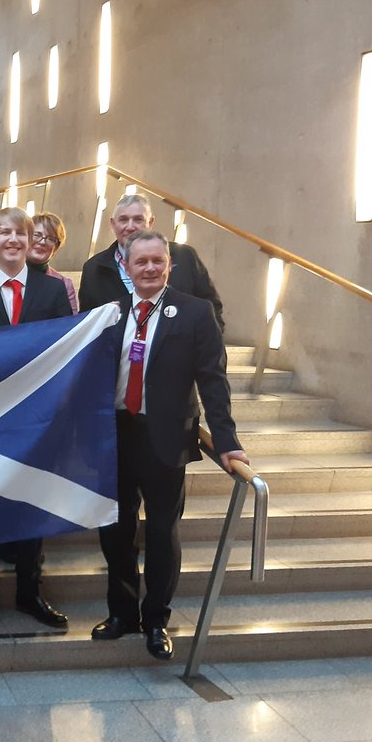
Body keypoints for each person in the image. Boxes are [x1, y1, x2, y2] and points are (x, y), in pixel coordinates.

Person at [92, 230, 248, 661]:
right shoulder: (109, 314)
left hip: (164, 437)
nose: (149, 268)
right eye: (140, 262)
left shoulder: (196, 312)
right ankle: (122, 612)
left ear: (169, 265)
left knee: (162, 531)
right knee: (116, 531)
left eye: (157, 261)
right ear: (126, 268)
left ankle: (157, 619)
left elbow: (213, 380)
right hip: (115, 436)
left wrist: (227, 441)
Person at [0, 206, 72, 633]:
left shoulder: (52, 292)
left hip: (37, 421)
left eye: (20, 232)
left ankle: (29, 591)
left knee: (31, 506)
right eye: (4, 233)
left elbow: (66, 355)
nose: (14, 240)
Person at [78, 192, 223, 329]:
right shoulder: (94, 268)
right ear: (113, 224)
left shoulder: (184, 256)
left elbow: (211, 307)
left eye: (138, 219)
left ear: (151, 222)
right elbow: (88, 322)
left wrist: (208, 339)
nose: (130, 227)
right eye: (123, 220)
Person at [29, 212, 79, 313]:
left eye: (51, 238)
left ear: (56, 247)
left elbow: (70, 321)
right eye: (37, 235)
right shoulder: (4, 273)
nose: (42, 242)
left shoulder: (64, 285)